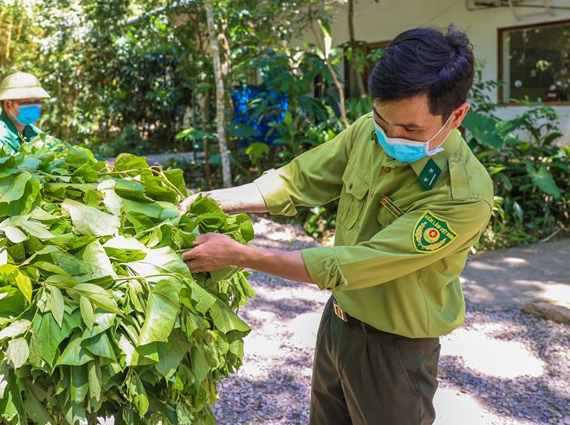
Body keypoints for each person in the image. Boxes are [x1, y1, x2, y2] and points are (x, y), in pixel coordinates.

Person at [181, 26, 493, 425]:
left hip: (394, 349)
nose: (390, 136)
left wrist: (240, 255)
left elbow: (351, 264)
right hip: (338, 323)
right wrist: (215, 200)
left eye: (411, 129)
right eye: (383, 119)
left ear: (457, 115)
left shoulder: (461, 194)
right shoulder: (369, 132)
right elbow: (300, 179)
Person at [0, 71, 51, 153]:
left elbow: (59, 148)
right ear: (8, 104)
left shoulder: (31, 130)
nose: (33, 106)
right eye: (26, 102)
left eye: (37, 101)